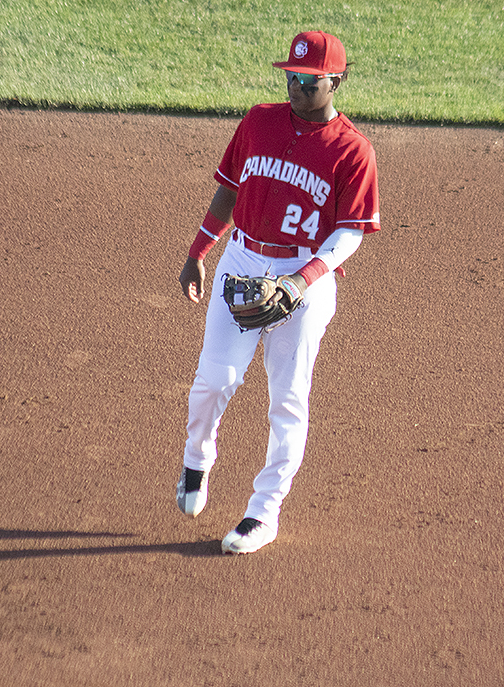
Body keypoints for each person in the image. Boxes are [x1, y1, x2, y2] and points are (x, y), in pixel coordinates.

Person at [176, 31, 381, 554]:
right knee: (212, 382)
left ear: (338, 80)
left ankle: (262, 514)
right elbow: (230, 186)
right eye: (290, 77)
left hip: (302, 275)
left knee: (287, 401)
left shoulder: (352, 151)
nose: (296, 87)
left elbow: (350, 233)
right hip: (241, 259)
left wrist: (301, 280)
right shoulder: (258, 121)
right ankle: (198, 460)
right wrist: (198, 250)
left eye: (309, 82)